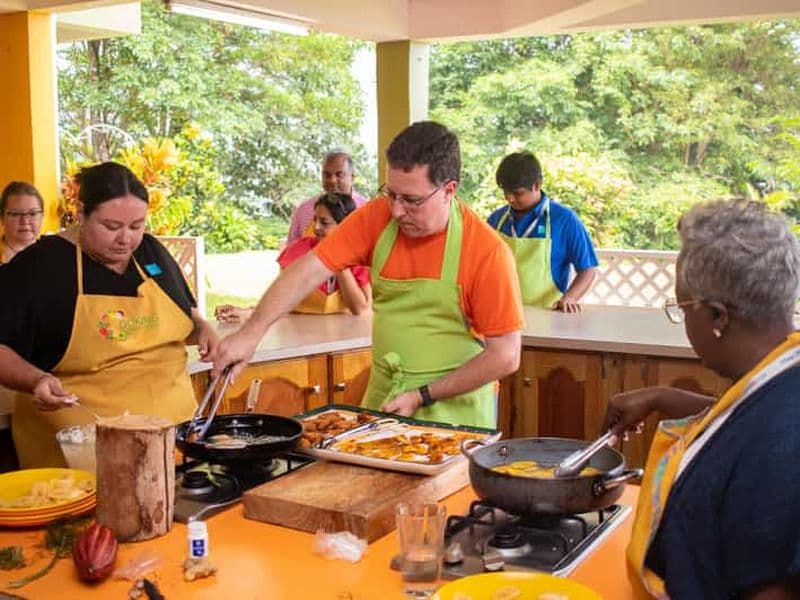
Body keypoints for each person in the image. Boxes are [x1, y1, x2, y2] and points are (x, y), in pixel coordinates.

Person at [211, 121, 523, 428]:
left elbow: (505, 356)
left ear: (449, 190)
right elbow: (308, 270)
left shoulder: (486, 253)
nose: (397, 210)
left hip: (455, 417)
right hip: (384, 403)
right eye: (391, 194)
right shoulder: (378, 217)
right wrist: (251, 333)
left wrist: (422, 395)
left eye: (412, 200)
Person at [602, 199, 800, 599]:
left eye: (682, 307)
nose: (684, 321)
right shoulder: (783, 375)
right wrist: (665, 396)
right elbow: (745, 421)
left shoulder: (781, 452)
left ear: (716, 317)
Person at [0, 162, 219, 468]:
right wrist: (36, 380)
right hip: (88, 453)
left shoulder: (151, 252)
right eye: (111, 227)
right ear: (80, 212)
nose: (125, 239)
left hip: (177, 441)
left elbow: (184, 315)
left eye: (136, 226)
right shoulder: (39, 266)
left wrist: (202, 327)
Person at [215, 192, 371, 323]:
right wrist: (248, 313)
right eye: (315, 220)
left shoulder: (357, 256)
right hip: (298, 335)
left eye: (324, 223)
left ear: (345, 226)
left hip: (344, 339)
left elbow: (359, 308)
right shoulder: (298, 251)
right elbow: (278, 300)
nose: (316, 228)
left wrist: (337, 261)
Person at [487, 152, 598, 312]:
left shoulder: (564, 220)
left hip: (548, 316)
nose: (510, 198)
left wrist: (570, 297)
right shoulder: (496, 220)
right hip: (500, 314)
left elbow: (588, 268)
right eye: (506, 191)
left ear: (537, 185)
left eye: (517, 193)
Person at [286, 151, 367, 244]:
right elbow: (291, 249)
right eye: (327, 175)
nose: (332, 180)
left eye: (339, 175)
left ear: (352, 177)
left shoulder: (366, 210)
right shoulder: (303, 210)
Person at [1, 181, 44, 264]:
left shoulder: (52, 256)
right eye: (15, 214)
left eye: (32, 213)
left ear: (42, 216)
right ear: (2, 218)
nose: (24, 221)